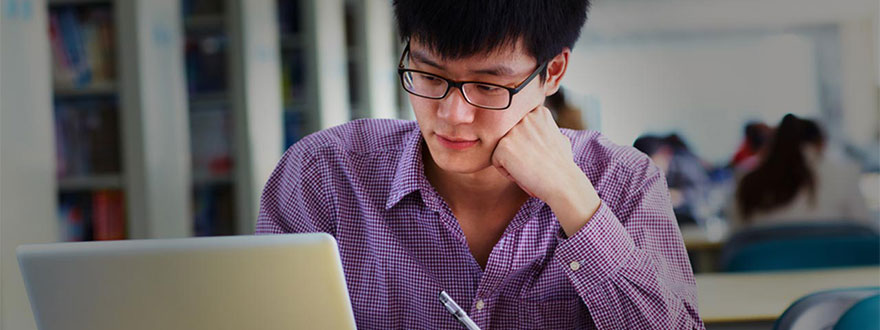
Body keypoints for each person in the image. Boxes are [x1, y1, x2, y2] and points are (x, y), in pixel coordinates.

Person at [257, 1, 704, 328]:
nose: (453, 115)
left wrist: (573, 198)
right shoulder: (324, 174)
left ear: (553, 72)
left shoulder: (623, 181)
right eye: (430, 76)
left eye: (489, 86)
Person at [732, 114, 870, 227]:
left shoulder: (747, 182)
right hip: (833, 259)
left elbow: (735, 238)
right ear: (821, 143)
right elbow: (865, 229)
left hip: (766, 260)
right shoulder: (843, 175)